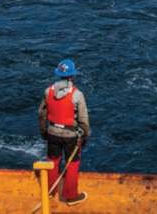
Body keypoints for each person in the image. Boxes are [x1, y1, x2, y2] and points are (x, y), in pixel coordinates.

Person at [38, 58, 90, 205]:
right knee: (72, 163)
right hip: (71, 136)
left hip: (52, 132)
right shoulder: (77, 94)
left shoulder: (48, 92)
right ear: (72, 76)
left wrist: (44, 132)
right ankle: (71, 196)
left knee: (52, 161)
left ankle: (49, 192)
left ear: (58, 74)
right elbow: (83, 119)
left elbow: (41, 114)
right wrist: (84, 136)